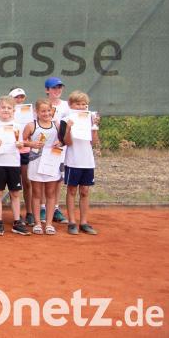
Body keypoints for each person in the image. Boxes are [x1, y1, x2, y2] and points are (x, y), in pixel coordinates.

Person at [0, 96, 29, 236]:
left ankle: (17, 222)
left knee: (15, 193)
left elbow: (20, 143)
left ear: (13, 110)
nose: (6, 110)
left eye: (9, 108)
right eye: (3, 107)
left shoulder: (17, 125)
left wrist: (20, 145)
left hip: (14, 164)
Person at [61, 90, 100, 235]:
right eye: (78, 104)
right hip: (73, 160)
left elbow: (94, 142)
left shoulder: (90, 118)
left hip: (87, 161)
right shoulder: (66, 120)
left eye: (84, 104)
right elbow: (67, 143)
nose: (81, 107)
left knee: (85, 191)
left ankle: (83, 222)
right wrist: (69, 128)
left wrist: (94, 126)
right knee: (72, 191)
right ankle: (72, 222)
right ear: (70, 104)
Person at [24, 99, 62, 235]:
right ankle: (38, 223)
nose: (46, 113)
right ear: (36, 112)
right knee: (36, 193)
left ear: (52, 111)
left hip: (51, 162)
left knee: (51, 193)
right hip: (36, 162)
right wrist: (31, 144)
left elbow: (63, 140)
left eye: (48, 110)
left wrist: (60, 142)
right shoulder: (31, 125)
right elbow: (22, 141)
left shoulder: (57, 125)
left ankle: (49, 224)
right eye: (43, 111)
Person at [43, 76, 69, 224]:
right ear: (47, 90)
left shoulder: (67, 106)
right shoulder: (42, 105)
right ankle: (42, 207)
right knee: (43, 178)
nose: (57, 90)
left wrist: (62, 140)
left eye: (59, 87)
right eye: (54, 87)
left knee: (58, 179)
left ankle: (55, 209)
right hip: (44, 148)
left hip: (60, 149)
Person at [10, 87, 34, 227]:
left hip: (25, 151)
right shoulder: (6, 113)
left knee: (27, 182)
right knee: (13, 184)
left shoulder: (29, 113)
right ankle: (16, 214)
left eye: (21, 97)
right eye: (16, 97)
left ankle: (29, 212)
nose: (19, 100)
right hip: (10, 152)